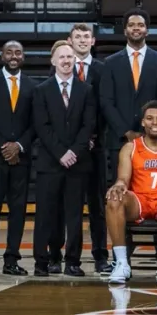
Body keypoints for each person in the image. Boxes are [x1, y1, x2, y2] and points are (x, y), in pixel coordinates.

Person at [100, 9, 157, 272]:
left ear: (147, 30)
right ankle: (122, 259)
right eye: (131, 25)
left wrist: (149, 131)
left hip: (154, 140)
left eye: (141, 25)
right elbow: (105, 101)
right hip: (119, 140)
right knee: (120, 196)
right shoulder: (110, 63)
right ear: (125, 30)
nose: (136, 29)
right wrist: (126, 133)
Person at [32, 40, 97, 278]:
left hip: (78, 163)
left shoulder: (86, 89)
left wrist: (74, 152)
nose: (66, 61)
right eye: (62, 57)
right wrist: (61, 152)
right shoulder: (41, 90)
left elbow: (88, 125)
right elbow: (42, 126)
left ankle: (72, 261)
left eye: (70, 57)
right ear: (53, 61)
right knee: (46, 214)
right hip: (50, 162)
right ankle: (44, 261)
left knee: (74, 215)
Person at [105, 102, 157, 285]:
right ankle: (121, 263)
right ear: (143, 122)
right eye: (150, 118)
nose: (155, 123)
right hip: (139, 200)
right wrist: (119, 185)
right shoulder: (131, 147)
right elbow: (124, 178)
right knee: (114, 199)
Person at [0, 41, 36, 277]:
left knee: (18, 210)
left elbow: (35, 124)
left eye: (18, 52)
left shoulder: (33, 86)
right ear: (2, 56)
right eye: (9, 52)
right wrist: (4, 147)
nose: (14, 56)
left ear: (23, 56)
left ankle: (12, 259)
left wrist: (18, 147)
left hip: (21, 158)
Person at [62, 23, 107, 274]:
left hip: (96, 148)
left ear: (93, 41)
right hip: (68, 151)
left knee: (97, 205)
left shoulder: (103, 69)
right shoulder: (59, 67)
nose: (81, 40)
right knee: (70, 207)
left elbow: (106, 106)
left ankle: (101, 255)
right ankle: (69, 257)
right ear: (70, 40)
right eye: (76, 36)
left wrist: (93, 137)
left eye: (85, 36)